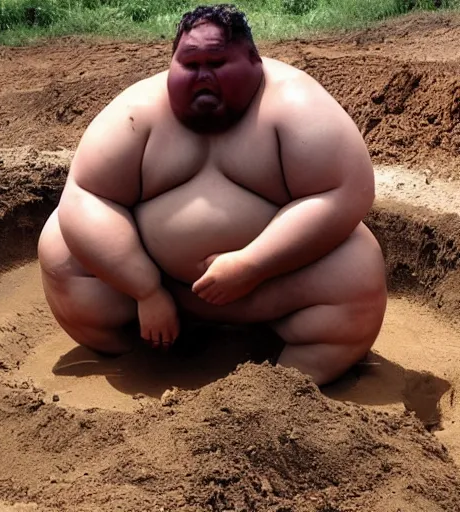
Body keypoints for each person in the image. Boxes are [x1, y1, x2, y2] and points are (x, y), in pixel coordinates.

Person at [38, 4, 387, 386]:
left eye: (217, 63)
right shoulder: (136, 110)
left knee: (359, 270)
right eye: (190, 65)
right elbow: (86, 196)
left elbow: (345, 191)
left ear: (254, 59)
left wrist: (252, 265)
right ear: (172, 63)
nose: (203, 76)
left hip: (273, 287)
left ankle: (287, 386)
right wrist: (145, 289)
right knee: (60, 248)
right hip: (154, 289)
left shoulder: (296, 106)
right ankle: (144, 361)